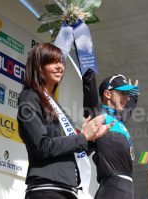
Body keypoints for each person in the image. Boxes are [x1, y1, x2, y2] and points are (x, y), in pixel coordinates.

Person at [17, 43, 115, 199]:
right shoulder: (29, 97)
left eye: (61, 62)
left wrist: (92, 138)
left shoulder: (56, 106)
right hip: (47, 190)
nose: (59, 67)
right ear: (38, 66)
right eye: (52, 62)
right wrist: (82, 137)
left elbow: (71, 150)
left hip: (68, 190)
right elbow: (42, 147)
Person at [82, 69, 140, 199]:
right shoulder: (98, 113)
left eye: (128, 94)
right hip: (113, 188)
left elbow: (129, 107)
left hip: (127, 189)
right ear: (107, 94)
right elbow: (89, 85)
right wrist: (86, 59)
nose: (127, 97)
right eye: (122, 93)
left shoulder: (119, 118)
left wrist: (134, 95)